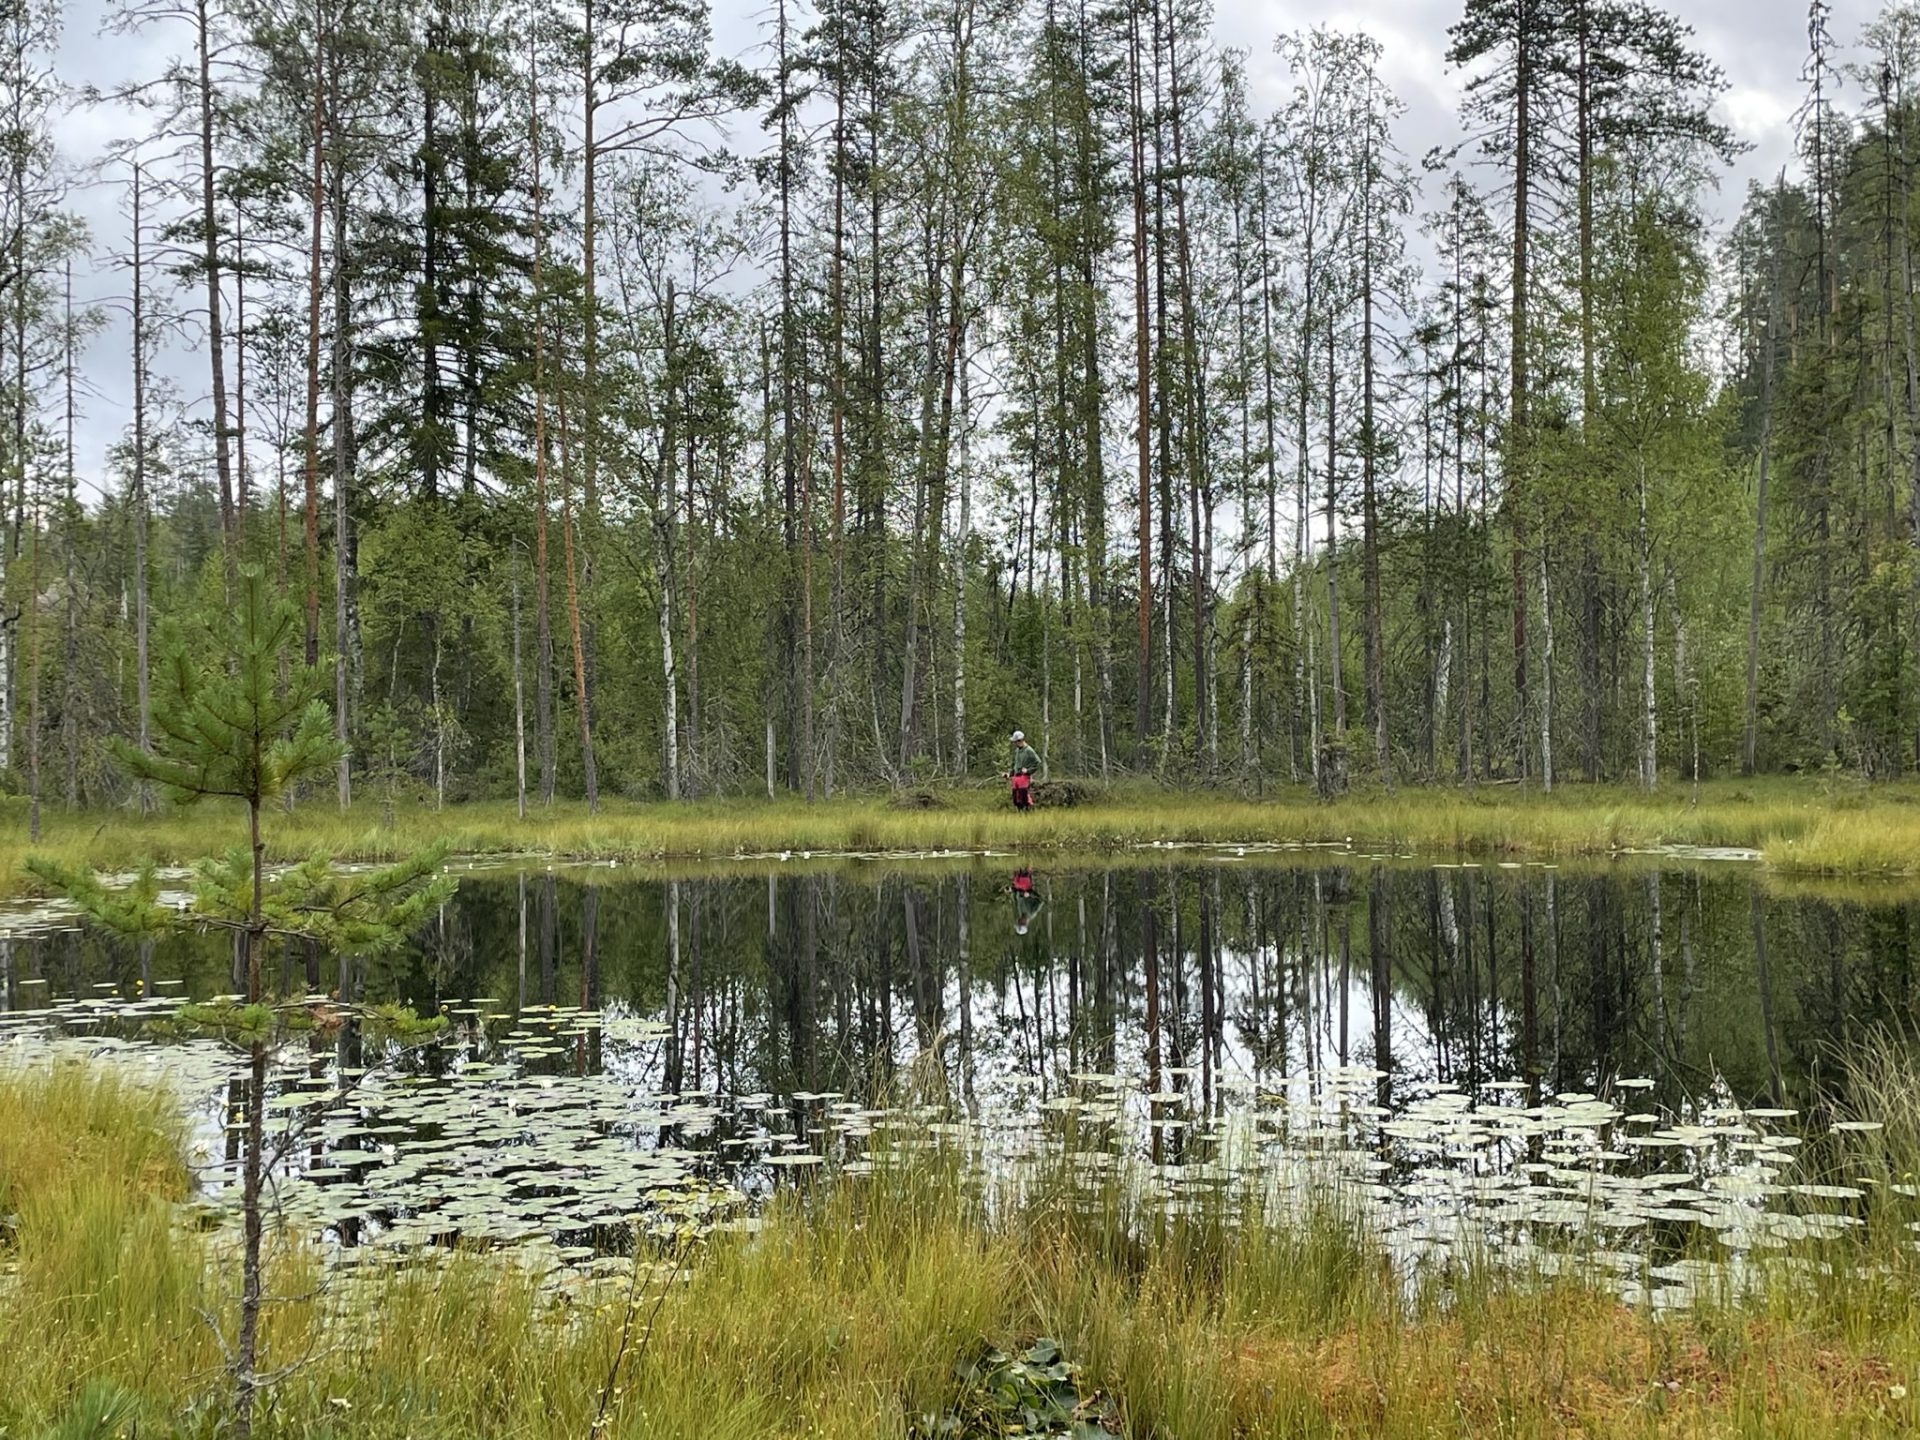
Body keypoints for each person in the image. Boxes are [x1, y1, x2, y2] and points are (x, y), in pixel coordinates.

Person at [1008, 729, 1041, 809]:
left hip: (1024, 777)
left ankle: (1027, 813)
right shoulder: (1017, 751)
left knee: (1024, 798)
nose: (1014, 743)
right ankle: (1020, 814)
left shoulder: (1029, 750)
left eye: (1015, 742)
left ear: (1019, 741)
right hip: (1016, 777)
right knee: (1016, 798)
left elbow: (1037, 762)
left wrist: (1028, 771)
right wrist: (1009, 774)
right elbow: (1015, 765)